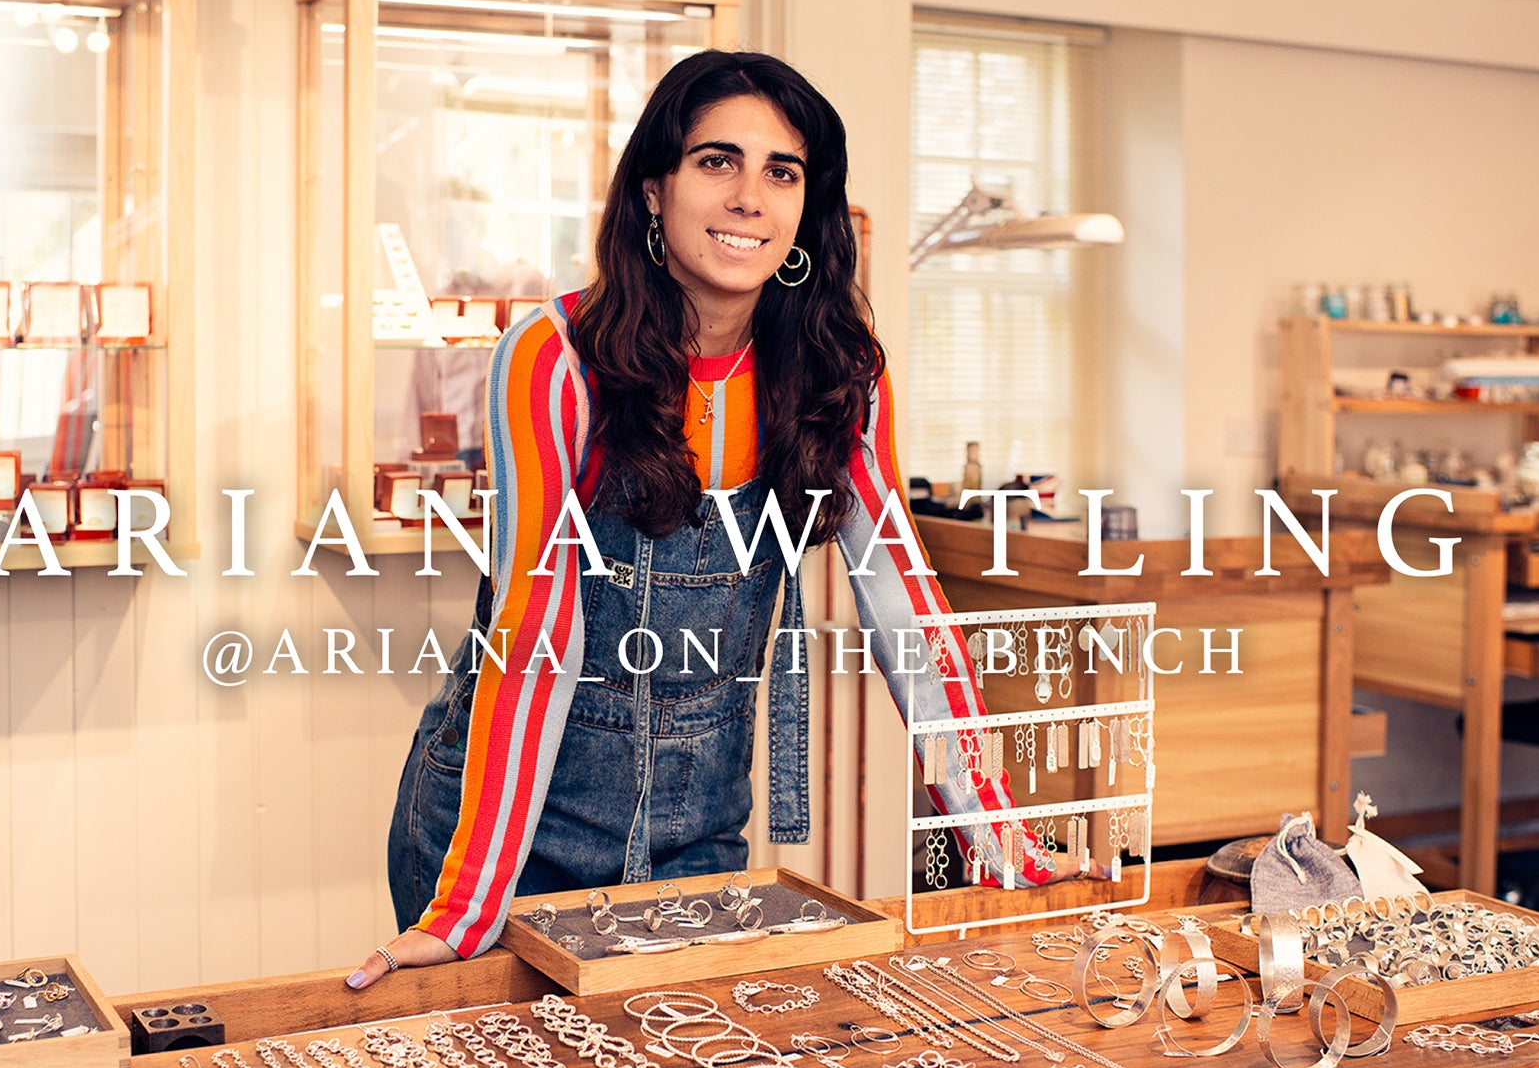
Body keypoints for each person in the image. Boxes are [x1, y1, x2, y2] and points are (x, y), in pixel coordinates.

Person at [349, 50, 1070, 986]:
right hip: (506, 836)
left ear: (807, 208)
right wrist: (469, 905)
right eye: (717, 161)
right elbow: (536, 631)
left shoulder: (839, 372)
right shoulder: (556, 357)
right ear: (655, 188)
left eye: (783, 172)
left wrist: (999, 840)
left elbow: (906, 608)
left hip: (700, 829)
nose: (749, 198)